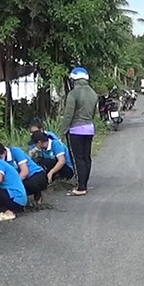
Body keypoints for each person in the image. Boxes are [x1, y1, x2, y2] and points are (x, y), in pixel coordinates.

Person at [60, 66, 98, 196]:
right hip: (89, 128)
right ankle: (84, 184)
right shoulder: (93, 93)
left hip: (76, 130)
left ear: (74, 80)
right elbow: (94, 113)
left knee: (79, 158)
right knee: (87, 158)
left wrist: (63, 130)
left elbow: (68, 115)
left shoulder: (73, 94)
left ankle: (81, 187)